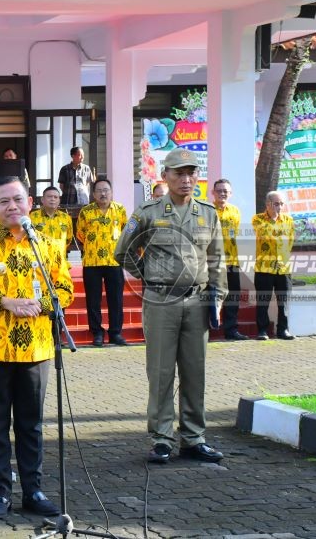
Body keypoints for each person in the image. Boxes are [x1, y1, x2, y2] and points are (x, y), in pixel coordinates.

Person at [0, 175, 73, 520]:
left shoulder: (48, 244)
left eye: (18, 200)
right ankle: (0, 493)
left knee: (31, 424)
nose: (12, 207)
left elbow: (64, 290)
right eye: (4, 201)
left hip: (37, 350)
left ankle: (33, 491)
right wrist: (5, 301)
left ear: (30, 202)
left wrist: (43, 305)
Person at [114, 148, 227, 464]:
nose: (186, 179)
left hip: (197, 302)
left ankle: (193, 438)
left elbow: (217, 259)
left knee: (195, 372)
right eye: (178, 173)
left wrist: (217, 297)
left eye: (191, 172)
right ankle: (162, 438)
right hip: (161, 301)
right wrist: (148, 277)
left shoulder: (207, 213)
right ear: (164, 176)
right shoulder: (148, 212)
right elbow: (122, 252)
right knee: (162, 372)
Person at [76, 178, 128, 346]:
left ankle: (115, 333)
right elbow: (80, 234)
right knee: (93, 300)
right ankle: (97, 333)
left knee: (116, 299)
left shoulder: (119, 210)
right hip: (92, 262)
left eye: (106, 190)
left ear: (111, 192)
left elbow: (125, 231)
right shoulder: (86, 212)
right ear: (93, 194)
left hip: (114, 261)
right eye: (99, 190)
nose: (103, 193)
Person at [252, 191, 295, 341]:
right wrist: (275, 218)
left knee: (284, 302)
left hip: (283, 268)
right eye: (276, 204)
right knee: (263, 301)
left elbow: (290, 242)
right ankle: (262, 331)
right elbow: (264, 233)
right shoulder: (258, 219)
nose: (280, 207)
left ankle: (283, 330)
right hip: (264, 268)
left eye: (282, 204)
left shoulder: (289, 220)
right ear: (268, 204)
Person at [213, 179, 248, 341]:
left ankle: (231, 330)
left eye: (225, 191)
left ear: (230, 193)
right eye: (219, 190)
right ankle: (207, 330)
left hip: (232, 261)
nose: (222, 193)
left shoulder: (235, 211)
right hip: (212, 262)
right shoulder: (208, 210)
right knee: (210, 296)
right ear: (213, 193)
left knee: (233, 296)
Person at [29, 186, 73, 255]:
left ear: (59, 200)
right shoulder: (32, 216)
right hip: (39, 259)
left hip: (59, 259)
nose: (52, 199)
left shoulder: (66, 218)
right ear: (42, 199)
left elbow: (68, 239)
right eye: (49, 196)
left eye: (55, 197)